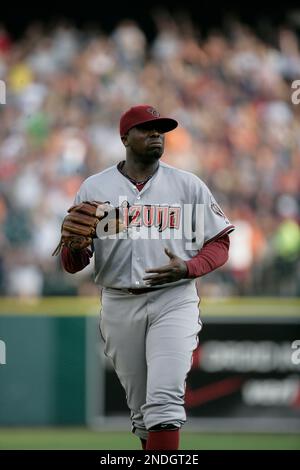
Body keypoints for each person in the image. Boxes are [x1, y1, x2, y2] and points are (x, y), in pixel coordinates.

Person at [60, 104, 235, 450]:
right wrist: (76, 247)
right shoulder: (96, 187)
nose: (157, 135)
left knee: (164, 402)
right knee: (142, 414)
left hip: (174, 299)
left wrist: (188, 267)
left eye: (161, 130)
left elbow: (221, 243)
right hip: (119, 303)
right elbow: (72, 263)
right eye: (147, 129)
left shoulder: (187, 186)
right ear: (125, 137)